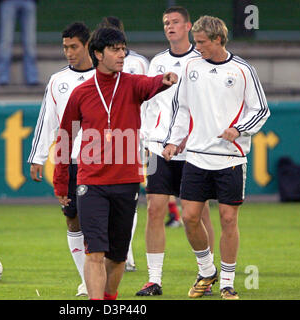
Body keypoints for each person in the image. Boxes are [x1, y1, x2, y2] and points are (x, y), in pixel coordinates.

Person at [53, 27, 177, 300]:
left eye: (123, 49)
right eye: (115, 50)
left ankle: (109, 299)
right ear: (98, 54)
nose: (122, 54)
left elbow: (151, 84)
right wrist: (61, 182)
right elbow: (65, 136)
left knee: (118, 256)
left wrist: (165, 80)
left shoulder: (133, 83)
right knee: (94, 252)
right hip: (91, 182)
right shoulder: (81, 92)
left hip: (126, 181)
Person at [162, 15, 270, 299]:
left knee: (227, 219)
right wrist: (173, 141)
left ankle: (227, 282)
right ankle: (206, 269)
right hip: (196, 156)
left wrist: (238, 129)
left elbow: (260, 110)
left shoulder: (243, 69)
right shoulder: (191, 66)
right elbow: (181, 109)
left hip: (230, 159)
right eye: (195, 42)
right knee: (190, 217)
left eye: (201, 42)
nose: (197, 48)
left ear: (218, 39)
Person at [136, 6, 215, 297]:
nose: (170, 26)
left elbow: (205, 106)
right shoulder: (156, 62)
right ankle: (154, 280)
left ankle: (205, 274)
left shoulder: (201, 61)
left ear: (188, 26)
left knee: (198, 213)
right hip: (159, 148)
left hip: (194, 150)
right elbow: (147, 103)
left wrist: (189, 137)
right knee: (155, 209)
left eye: (175, 22)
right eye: (166, 22)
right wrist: (146, 139)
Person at [27, 22, 94, 297]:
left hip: (100, 161)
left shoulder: (107, 77)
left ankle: (99, 277)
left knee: (97, 220)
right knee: (73, 219)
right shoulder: (58, 81)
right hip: (69, 159)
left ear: (88, 45)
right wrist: (37, 157)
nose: (68, 52)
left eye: (74, 47)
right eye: (65, 47)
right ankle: (86, 280)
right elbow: (47, 121)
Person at [98, 16, 150, 273]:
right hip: (100, 141)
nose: (118, 50)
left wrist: (148, 135)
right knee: (104, 193)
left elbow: (151, 99)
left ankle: (125, 251)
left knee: (129, 194)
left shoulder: (138, 63)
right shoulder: (96, 64)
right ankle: (111, 251)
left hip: (133, 138)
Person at [0, 0, 39, 86]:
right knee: (6, 41)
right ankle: (3, 77)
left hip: (28, 2)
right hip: (8, 2)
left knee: (30, 42)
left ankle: (32, 77)